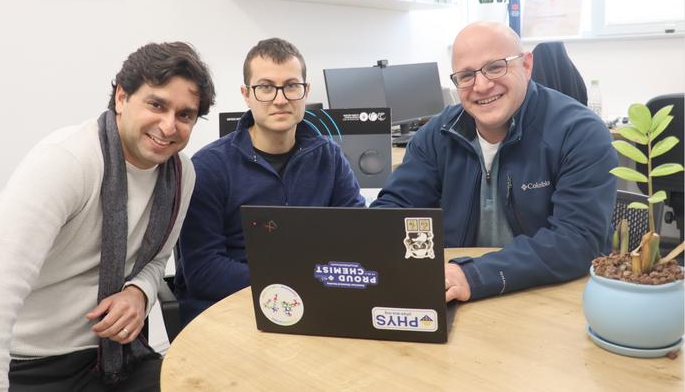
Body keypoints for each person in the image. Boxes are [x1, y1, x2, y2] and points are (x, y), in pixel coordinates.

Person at [0, 42, 215, 391]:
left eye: (185, 115)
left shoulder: (182, 173)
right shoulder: (67, 162)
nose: (169, 126)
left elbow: (158, 261)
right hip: (31, 364)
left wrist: (138, 292)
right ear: (122, 97)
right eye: (156, 104)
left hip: (119, 358)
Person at [371, 22, 617, 303]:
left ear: (526, 65)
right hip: (457, 293)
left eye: (495, 67)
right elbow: (392, 213)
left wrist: (475, 275)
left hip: (548, 297)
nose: (481, 85)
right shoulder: (437, 135)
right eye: (466, 75)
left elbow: (578, 239)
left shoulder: (580, 132)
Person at [174, 38, 365, 325]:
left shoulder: (330, 157)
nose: (280, 99)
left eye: (291, 86)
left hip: (316, 303)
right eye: (265, 87)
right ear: (246, 94)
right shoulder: (209, 167)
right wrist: (296, 281)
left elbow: (359, 236)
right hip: (233, 310)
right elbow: (203, 271)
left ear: (305, 92)